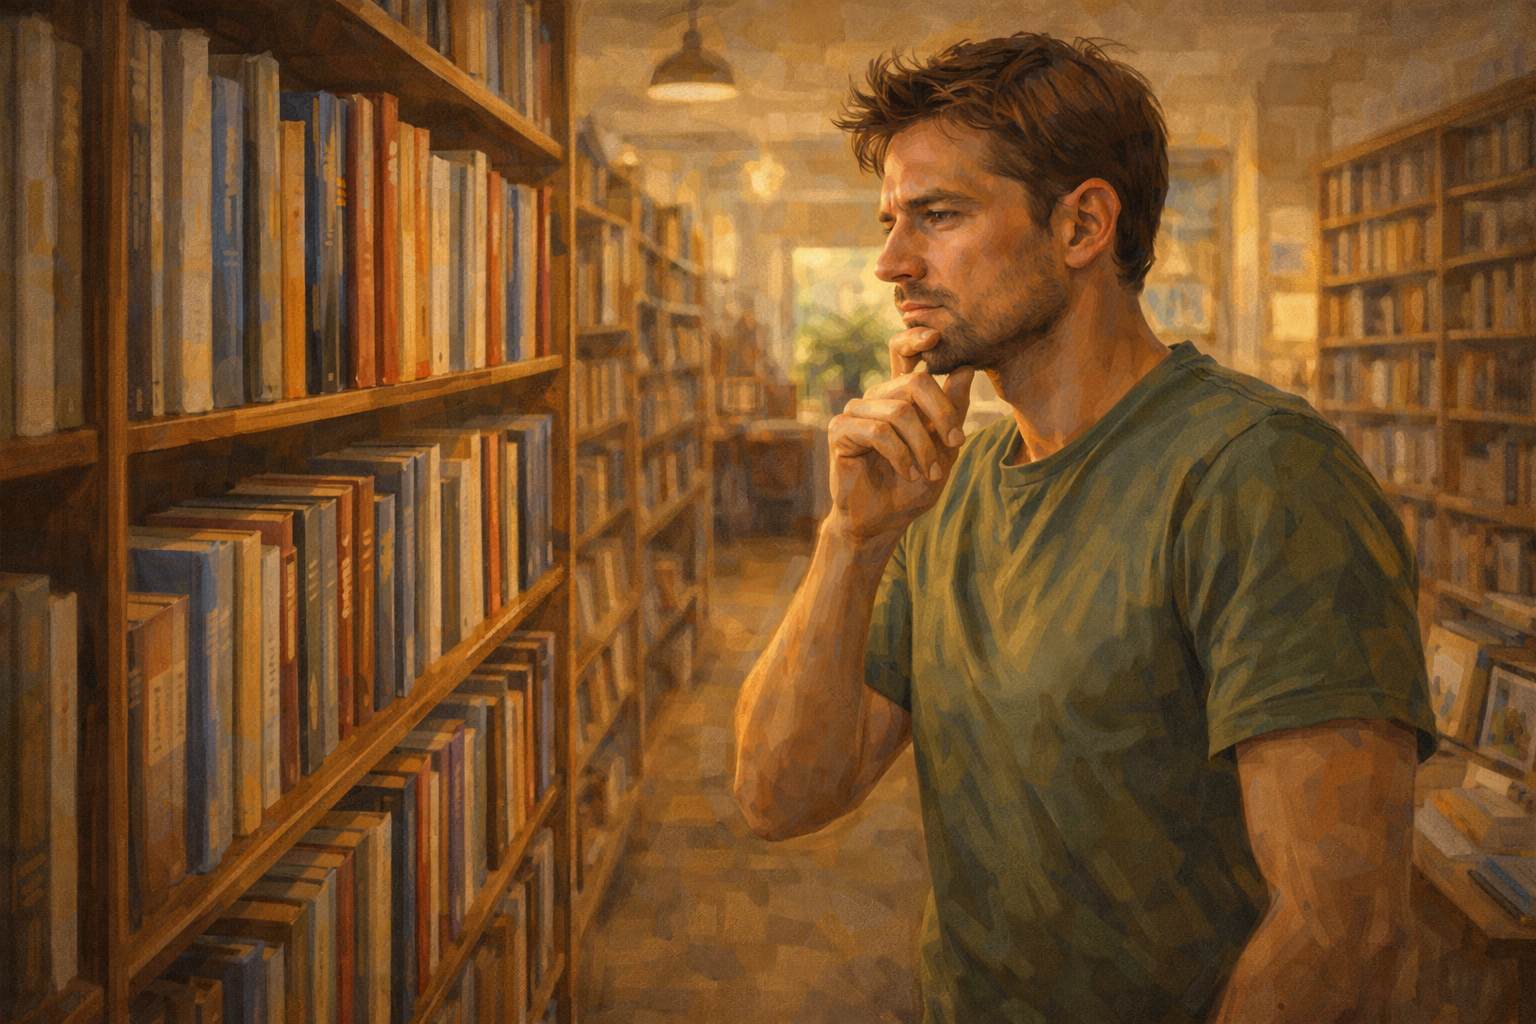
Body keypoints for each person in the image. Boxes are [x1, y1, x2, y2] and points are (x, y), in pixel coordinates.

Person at [732, 32, 1436, 1024]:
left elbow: (1346, 931)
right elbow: (779, 795)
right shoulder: (948, 490)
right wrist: (849, 540)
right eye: (891, 220)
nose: (891, 261)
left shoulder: (1263, 473)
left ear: (1082, 226)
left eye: (937, 215)